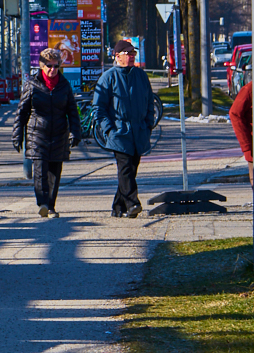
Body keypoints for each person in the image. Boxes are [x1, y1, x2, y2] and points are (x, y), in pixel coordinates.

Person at [93, 38, 163, 219]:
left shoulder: (140, 76)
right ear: (117, 56)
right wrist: (108, 129)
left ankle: (118, 206)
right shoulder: (108, 77)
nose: (132, 57)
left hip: (139, 131)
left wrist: (148, 123)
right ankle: (133, 203)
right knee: (125, 169)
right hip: (119, 132)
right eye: (128, 53)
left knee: (131, 169)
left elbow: (150, 102)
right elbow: (98, 108)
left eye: (134, 53)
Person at [14, 46, 83, 218]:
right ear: (41, 66)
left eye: (55, 66)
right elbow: (22, 112)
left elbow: (72, 111)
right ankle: (43, 203)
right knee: (40, 171)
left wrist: (75, 132)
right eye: (49, 66)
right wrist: (17, 134)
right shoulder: (32, 84)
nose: (52, 70)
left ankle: (51, 205)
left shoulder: (64, 86)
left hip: (59, 133)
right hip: (37, 133)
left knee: (55, 172)